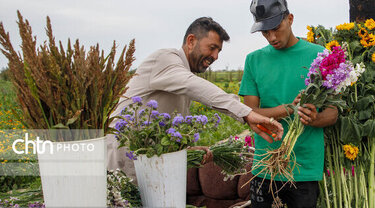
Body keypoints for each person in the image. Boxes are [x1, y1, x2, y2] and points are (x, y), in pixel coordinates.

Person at [107, 17, 283, 180]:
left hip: (148, 159)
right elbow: (194, 85)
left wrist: (185, 149)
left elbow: (165, 124)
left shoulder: (182, 73)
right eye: (212, 48)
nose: (215, 56)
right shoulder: (166, 59)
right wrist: (246, 113)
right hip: (124, 157)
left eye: (219, 51)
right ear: (191, 41)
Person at [239, 0, 338, 208]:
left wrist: (315, 118)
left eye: (276, 28)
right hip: (265, 166)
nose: (272, 37)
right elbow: (250, 114)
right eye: (265, 32)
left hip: (303, 170)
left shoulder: (320, 55)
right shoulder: (253, 61)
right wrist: (288, 109)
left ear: (290, 19)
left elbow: (333, 112)